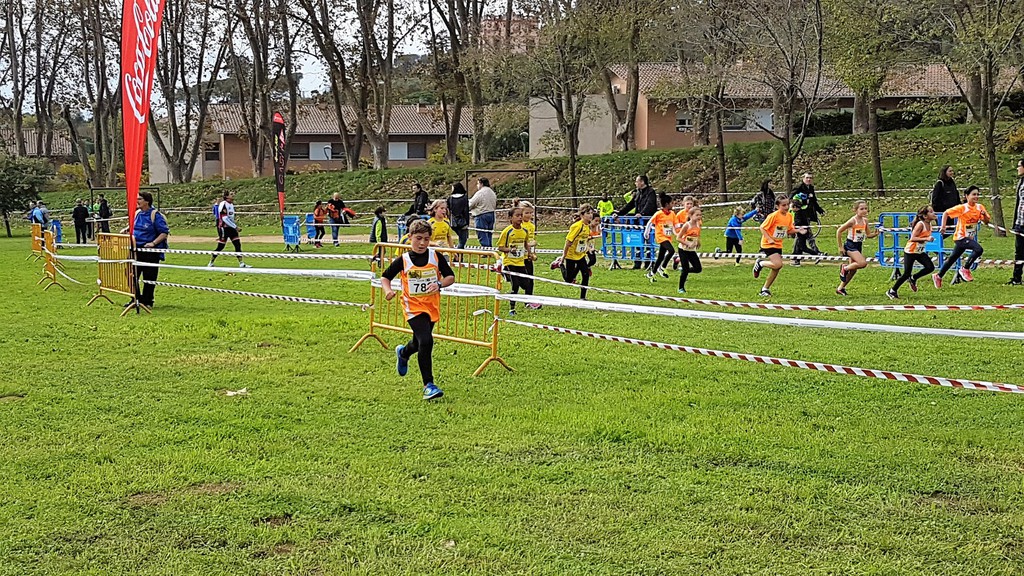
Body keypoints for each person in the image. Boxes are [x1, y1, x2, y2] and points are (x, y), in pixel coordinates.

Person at [381, 219, 455, 401]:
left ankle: (403, 353)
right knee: (426, 341)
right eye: (418, 238)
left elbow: (450, 277)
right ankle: (428, 385)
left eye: (426, 239)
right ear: (410, 237)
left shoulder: (435, 257)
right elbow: (385, 277)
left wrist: (439, 284)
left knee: (418, 342)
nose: (422, 243)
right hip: (412, 307)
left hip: (431, 306)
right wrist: (388, 291)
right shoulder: (404, 260)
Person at [933, 185, 990, 287]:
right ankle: (965, 269)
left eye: (978, 194)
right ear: (967, 196)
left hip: (969, 237)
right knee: (978, 249)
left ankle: (938, 275)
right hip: (961, 237)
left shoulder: (980, 207)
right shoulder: (962, 208)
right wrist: (943, 227)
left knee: (952, 258)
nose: (976, 197)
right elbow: (946, 213)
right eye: (973, 194)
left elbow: (986, 221)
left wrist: (984, 215)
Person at [126, 191, 169, 309]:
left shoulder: (155, 215)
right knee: (131, 274)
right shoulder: (137, 214)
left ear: (147, 201)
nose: (137, 201)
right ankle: (135, 298)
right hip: (135, 250)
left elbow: (164, 233)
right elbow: (134, 227)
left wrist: (153, 243)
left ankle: (148, 301)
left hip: (150, 252)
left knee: (149, 277)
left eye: (139, 199)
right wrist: (127, 230)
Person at [753, 195, 799, 298]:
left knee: (776, 268)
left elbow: (789, 230)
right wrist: (769, 239)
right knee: (778, 264)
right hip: (768, 244)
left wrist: (798, 230)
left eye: (787, 204)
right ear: (777, 206)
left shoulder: (789, 216)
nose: (786, 207)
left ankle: (765, 289)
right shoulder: (773, 216)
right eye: (783, 205)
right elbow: (762, 228)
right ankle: (760, 263)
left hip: (778, 244)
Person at [887, 206, 937, 299]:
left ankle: (914, 278)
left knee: (930, 267)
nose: (934, 213)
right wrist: (926, 238)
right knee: (906, 273)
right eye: (931, 212)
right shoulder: (920, 224)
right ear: (925, 216)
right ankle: (892, 290)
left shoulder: (929, 224)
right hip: (910, 251)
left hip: (919, 251)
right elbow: (913, 238)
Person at [835, 201, 879, 296]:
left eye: (866, 208)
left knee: (853, 270)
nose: (864, 211)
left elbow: (868, 234)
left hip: (858, 245)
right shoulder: (852, 221)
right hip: (850, 245)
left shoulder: (865, 221)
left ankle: (840, 288)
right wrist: (840, 247)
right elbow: (839, 231)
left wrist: (875, 234)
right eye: (861, 209)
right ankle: (844, 268)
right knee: (862, 263)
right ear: (855, 210)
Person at [616, 175, 658, 269]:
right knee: (637, 241)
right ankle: (637, 263)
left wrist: (642, 213)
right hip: (638, 222)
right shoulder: (638, 192)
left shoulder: (650, 192)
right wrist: (619, 213)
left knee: (648, 242)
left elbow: (650, 205)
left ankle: (649, 262)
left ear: (642, 182)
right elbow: (631, 205)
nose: (635, 183)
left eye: (637, 181)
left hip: (648, 221)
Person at [497, 206, 531, 316]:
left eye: (521, 215)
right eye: (517, 216)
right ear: (510, 218)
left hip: (520, 262)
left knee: (526, 284)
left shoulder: (524, 231)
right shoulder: (507, 232)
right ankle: (512, 308)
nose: (520, 218)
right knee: (515, 285)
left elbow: (526, 244)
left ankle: (506, 276)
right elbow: (500, 247)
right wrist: (510, 250)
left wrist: (530, 254)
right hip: (509, 262)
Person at [559, 205, 597, 300]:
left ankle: (583, 298)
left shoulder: (587, 226)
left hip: (580, 255)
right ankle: (560, 265)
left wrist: (588, 249)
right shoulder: (577, 226)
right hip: (571, 255)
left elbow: (583, 240)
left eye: (591, 213)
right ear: (582, 215)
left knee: (586, 274)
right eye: (588, 213)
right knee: (569, 279)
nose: (590, 215)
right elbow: (568, 241)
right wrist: (563, 256)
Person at [208, 191, 251, 268]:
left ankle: (241, 263)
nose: (233, 195)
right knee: (221, 246)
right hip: (224, 228)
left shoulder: (231, 204)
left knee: (237, 244)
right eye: (231, 194)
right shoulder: (223, 204)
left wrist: (233, 226)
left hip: (232, 228)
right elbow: (224, 218)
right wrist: (235, 227)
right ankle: (211, 262)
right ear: (227, 196)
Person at [792, 173, 825, 265]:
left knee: (803, 237)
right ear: (803, 178)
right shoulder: (799, 187)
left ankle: (797, 257)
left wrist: (820, 210)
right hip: (799, 215)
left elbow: (814, 201)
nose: (809, 179)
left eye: (810, 178)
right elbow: (791, 197)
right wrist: (796, 205)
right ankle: (816, 253)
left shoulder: (811, 188)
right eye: (807, 178)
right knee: (805, 237)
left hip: (807, 215)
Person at [643, 193, 676, 281]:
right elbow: (650, 222)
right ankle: (662, 267)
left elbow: (674, 225)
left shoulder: (672, 214)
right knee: (671, 251)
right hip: (661, 237)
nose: (673, 205)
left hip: (668, 237)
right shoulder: (658, 214)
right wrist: (646, 233)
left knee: (660, 257)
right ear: (667, 204)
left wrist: (678, 234)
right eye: (672, 203)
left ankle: (651, 274)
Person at [518, 200, 541, 309]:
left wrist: (532, 252)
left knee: (530, 278)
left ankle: (529, 301)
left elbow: (532, 239)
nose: (529, 215)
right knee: (520, 279)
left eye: (531, 213)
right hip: (518, 256)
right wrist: (529, 244)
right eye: (526, 213)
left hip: (528, 256)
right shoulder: (519, 225)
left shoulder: (531, 226)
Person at [675, 206, 703, 293]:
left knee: (698, 269)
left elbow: (697, 235)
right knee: (686, 268)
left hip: (691, 250)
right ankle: (681, 288)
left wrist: (698, 242)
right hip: (683, 249)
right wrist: (687, 243)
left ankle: (683, 269)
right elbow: (678, 238)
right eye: (697, 215)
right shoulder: (687, 225)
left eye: (700, 215)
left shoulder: (698, 224)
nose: (699, 217)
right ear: (690, 215)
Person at [469, 177, 497, 247]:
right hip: (491, 214)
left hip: (481, 215)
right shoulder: (492, 192)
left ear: (481, 184)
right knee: (489, 234)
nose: (477, 186)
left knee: (482, 234)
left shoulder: (480, 193)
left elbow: (471, 204)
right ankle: (489, 248)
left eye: (478, 184)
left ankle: (485, 249)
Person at [1009, 159, 1024, 286]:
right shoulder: (1021, 182)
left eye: (1019, 166)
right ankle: (1016, 278)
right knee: (1019, 251)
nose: (1017, 168)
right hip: (1020, 223)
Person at [447, 182, 471, 249]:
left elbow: (448, 210)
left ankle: (459, 253)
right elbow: (466, 211)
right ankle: (458, 253)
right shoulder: (464, 198)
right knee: (463, 240)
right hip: (463, 222)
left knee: (461, 239)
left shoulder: (450, 198)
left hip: (453, 222)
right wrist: (467, 222)